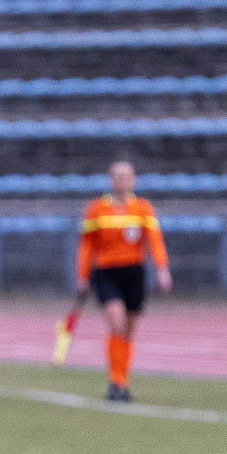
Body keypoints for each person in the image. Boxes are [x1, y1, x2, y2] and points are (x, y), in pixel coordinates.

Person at [75, 160, 171, 401]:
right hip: (106, 272)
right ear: (110, 180)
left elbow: (154, 239)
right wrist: (82, 275)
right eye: (117, 176)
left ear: (133, 180)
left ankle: (122, 382)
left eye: (126, 176)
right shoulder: (97, 209)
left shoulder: (142, 208)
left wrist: (161, 268)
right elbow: (86, 245)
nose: (121, 181)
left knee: (128, 330)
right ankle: (115, 381)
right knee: (116, 322)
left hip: (134, 272)